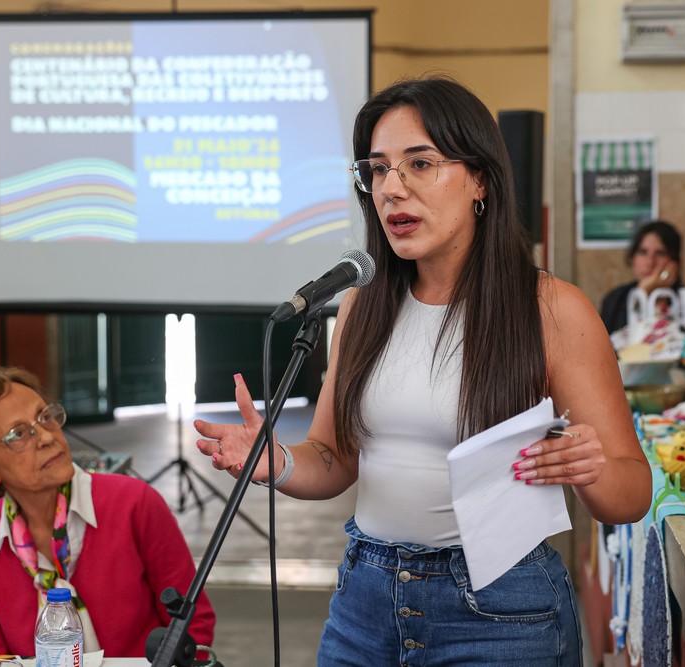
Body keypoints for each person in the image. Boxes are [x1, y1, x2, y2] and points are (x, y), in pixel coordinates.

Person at [194, 76, 650, 665]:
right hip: (366, 599)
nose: (393, 188)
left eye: (419, 163)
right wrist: (275, 461)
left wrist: (590, 466)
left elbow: (632, 493)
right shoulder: (362, 302)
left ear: (479, 179)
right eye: (378, 170)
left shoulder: (551, 309)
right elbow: (333, 460)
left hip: (501, 613)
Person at [0, 367, 215, 657]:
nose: (46, 437)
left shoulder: (134, 503)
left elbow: (192, 627)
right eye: (19, 434)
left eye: (45, 417)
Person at [599, 219, 683, 333]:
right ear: (633, 258)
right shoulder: (615, 300)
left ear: (674, 262)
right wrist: (642, 292)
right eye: (643, 252)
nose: (650, 262)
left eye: (660, 253)